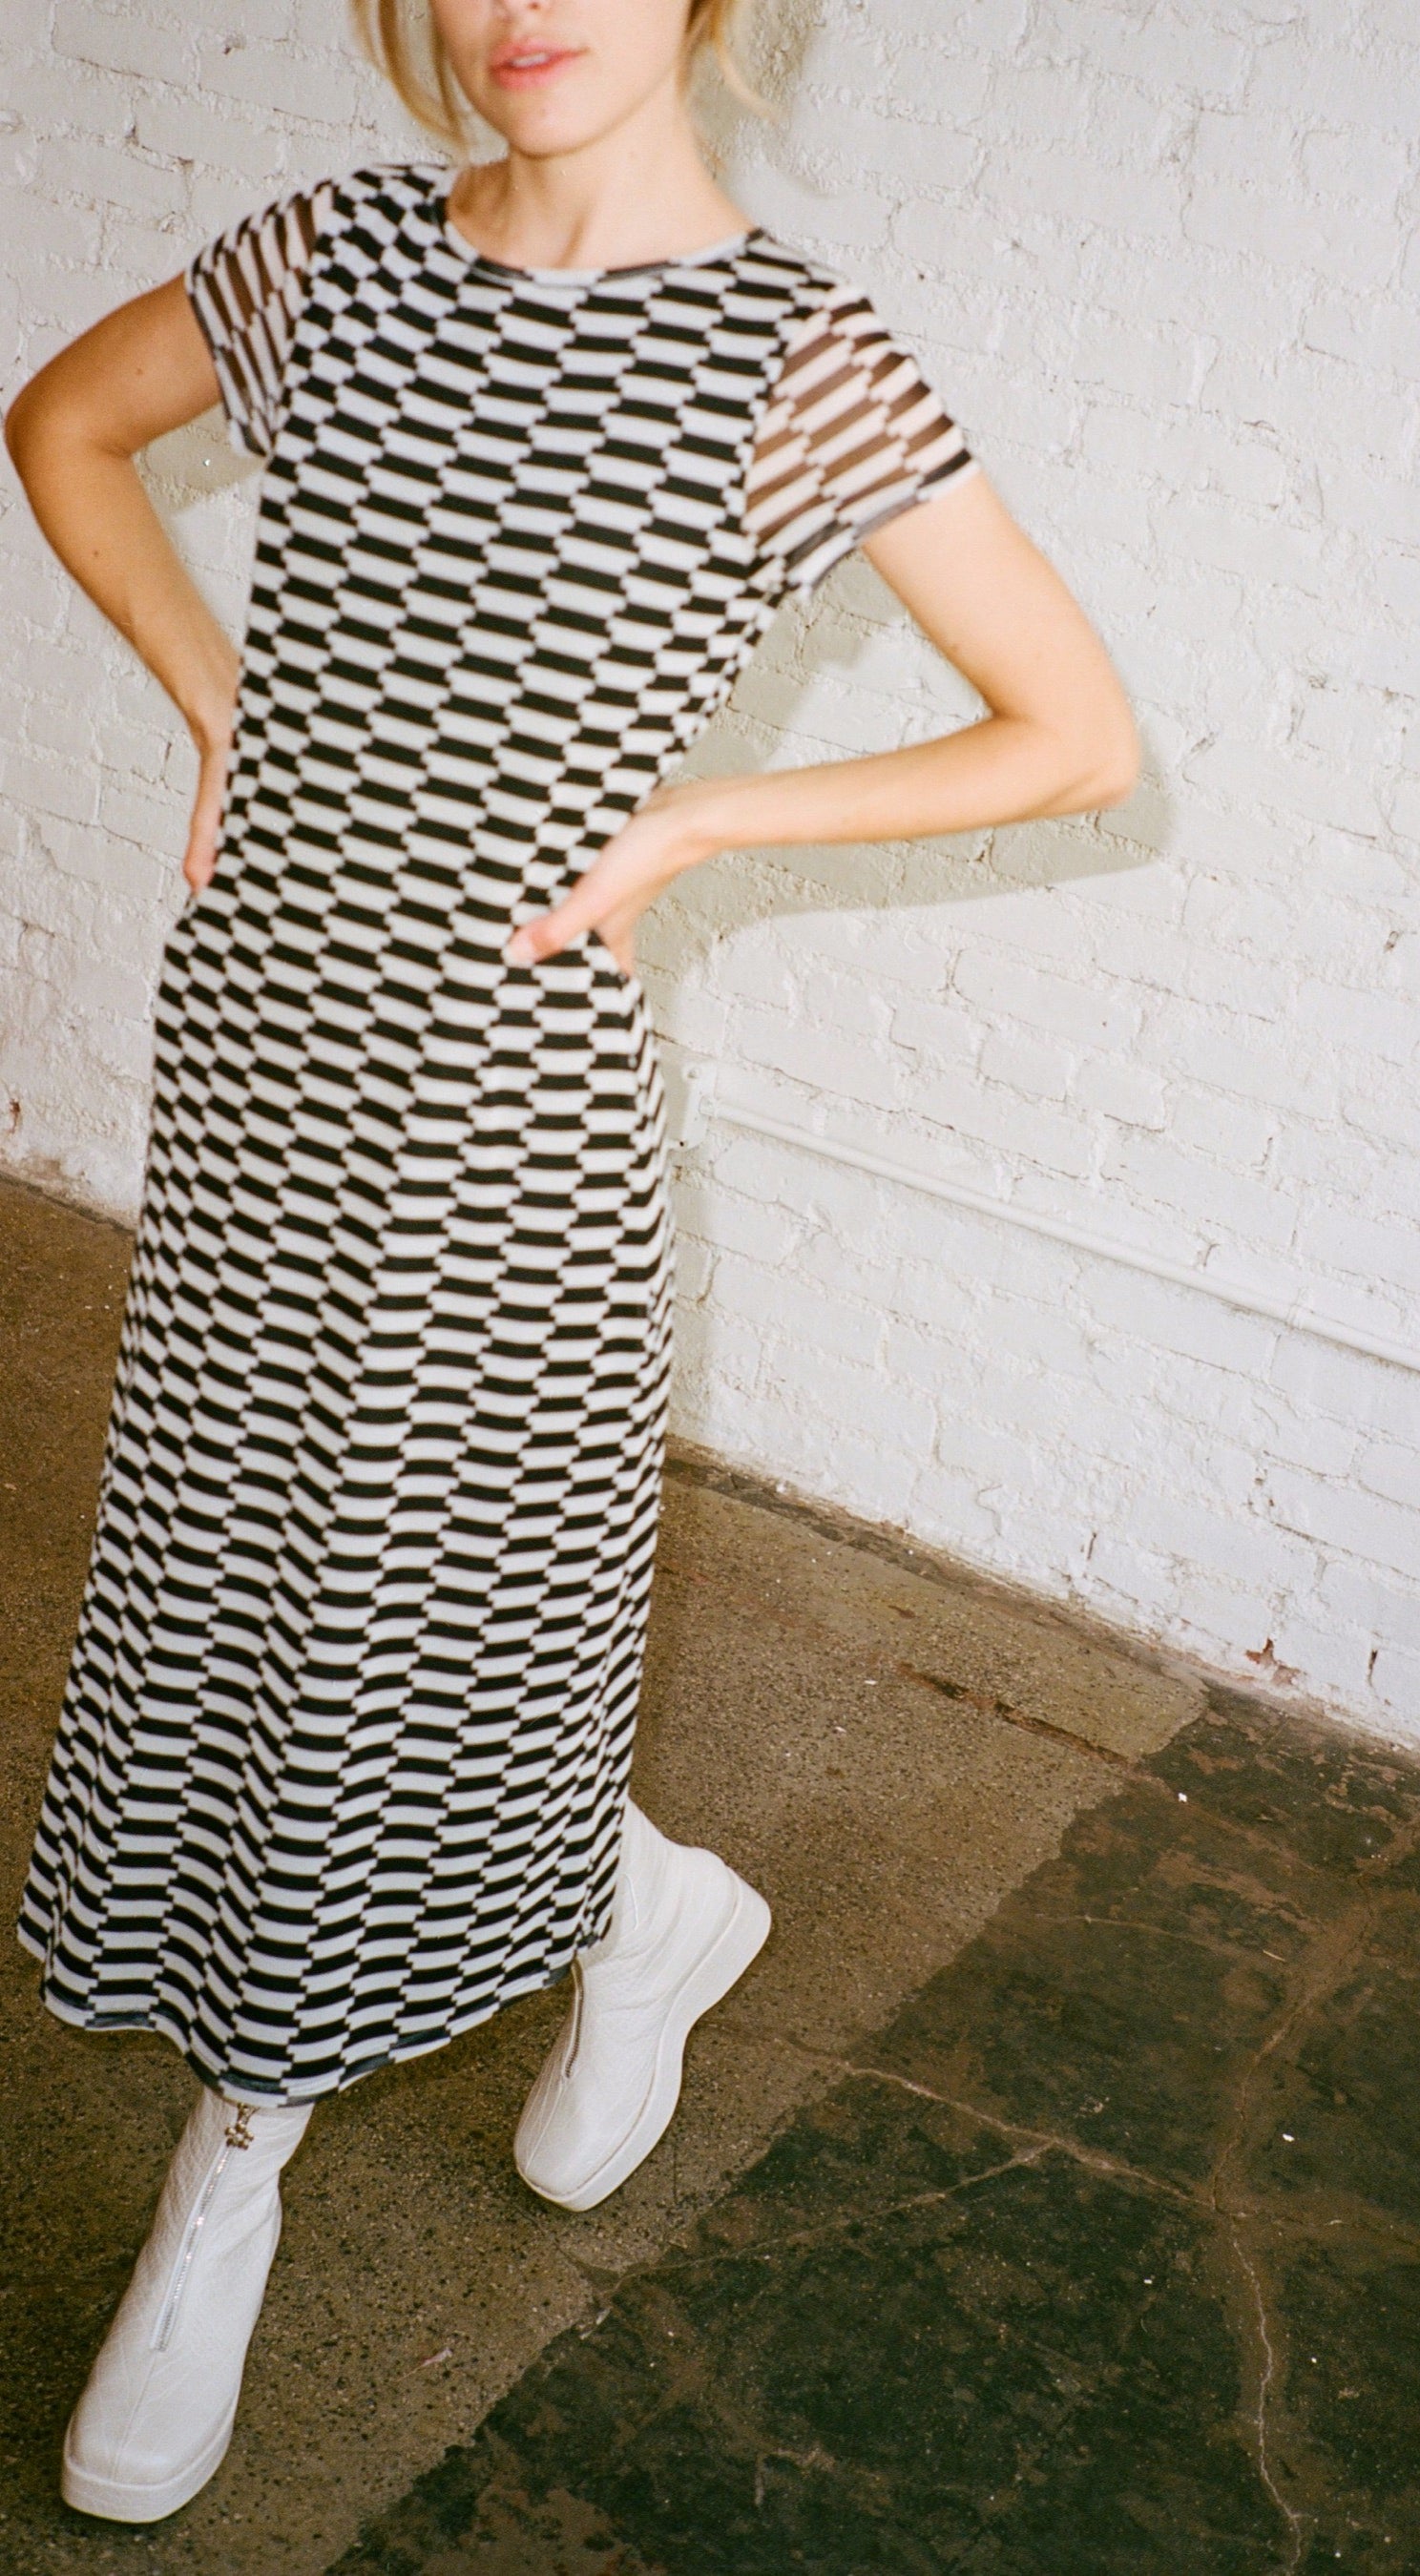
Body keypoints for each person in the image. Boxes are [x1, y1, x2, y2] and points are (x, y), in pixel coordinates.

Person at [6, 0, 1138, 2526]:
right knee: (238, 1570)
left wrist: (700, 824)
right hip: (260, 1048)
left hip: (508, 1116)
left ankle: (238, 2146)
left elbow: (1071, 732)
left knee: (398, 1614)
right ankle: (642, 1908)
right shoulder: (326, 261)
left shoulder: (791, 359)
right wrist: (213, 699)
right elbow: (58, 427)